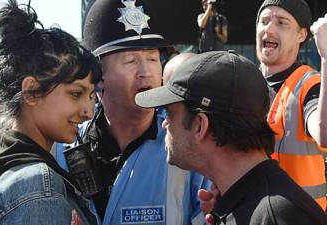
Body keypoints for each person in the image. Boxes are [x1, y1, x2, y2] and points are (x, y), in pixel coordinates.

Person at [56, 0, 210, 224]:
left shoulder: (189, 144)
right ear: (98, 77)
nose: (146, 72)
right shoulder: (62, 148)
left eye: (152, 58)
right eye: (130, 60)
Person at [0, 1, 102, 225]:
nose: (88, 111)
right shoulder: (38, 188)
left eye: (91, 95)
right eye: (75, 94)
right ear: (31, 92)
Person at [135, 50, 327, 225]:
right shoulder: (247, 206)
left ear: (200, 125)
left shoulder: (276, 217)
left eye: (170, 114)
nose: (164, 124)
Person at [256, 0, 327, 210]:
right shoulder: (244, 82)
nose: (269, 28)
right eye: (264, 21)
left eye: (281, 23)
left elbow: (324, 133)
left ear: (301, 35)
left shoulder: (310, 85)